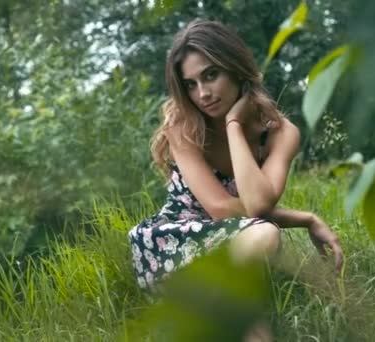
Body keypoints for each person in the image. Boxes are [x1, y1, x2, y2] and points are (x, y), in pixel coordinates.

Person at [128, 19, 343, 293]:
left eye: (210, 75)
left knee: (262, 238)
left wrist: (233, 125)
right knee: (265, 233)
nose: (203, 94)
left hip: (243, 239)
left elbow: (259, 204)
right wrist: (306, 218)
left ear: (236, 68)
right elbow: (221, 209)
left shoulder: (281, 133)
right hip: (172, 242)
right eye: (190, 84)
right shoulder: (183, 127)